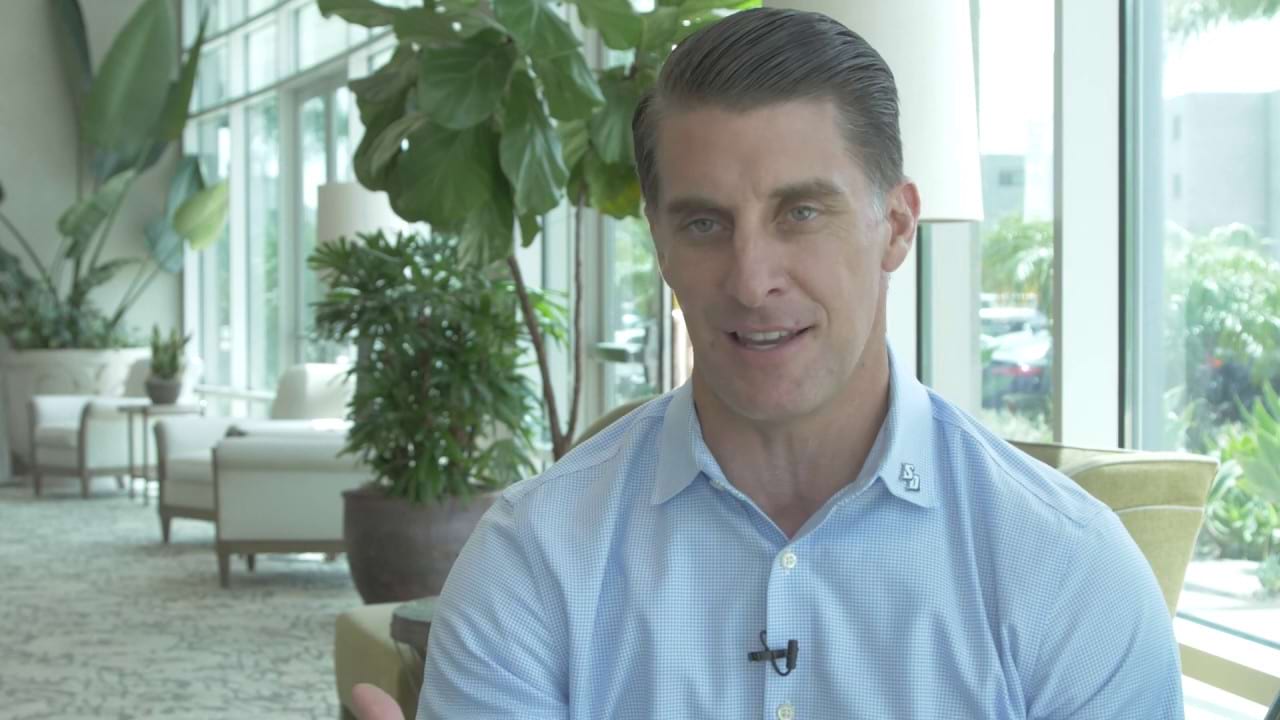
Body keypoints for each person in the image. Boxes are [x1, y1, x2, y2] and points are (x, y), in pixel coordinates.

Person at [354, 7, 1183, 719]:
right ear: (660, 244)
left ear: (896, 227)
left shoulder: (1066, 568)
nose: (751, 282)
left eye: (801, 213)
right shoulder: (535, 558)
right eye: (705, 224)